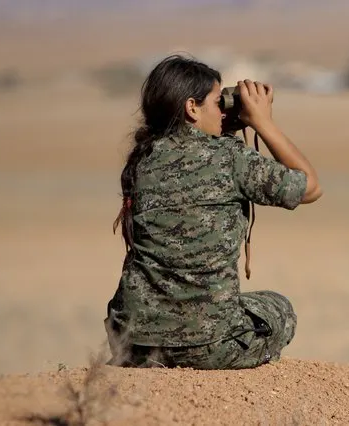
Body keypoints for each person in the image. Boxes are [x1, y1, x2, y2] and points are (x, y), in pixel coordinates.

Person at [104, 54, 323, 370]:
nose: (225, 110)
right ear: (191, 108)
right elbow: (311, 187)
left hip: (133, 343)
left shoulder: (141, 160)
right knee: (280, 309)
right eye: (218, 102)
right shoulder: (229, 158)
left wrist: (223, 131)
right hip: (209, 345)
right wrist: (262, 122)